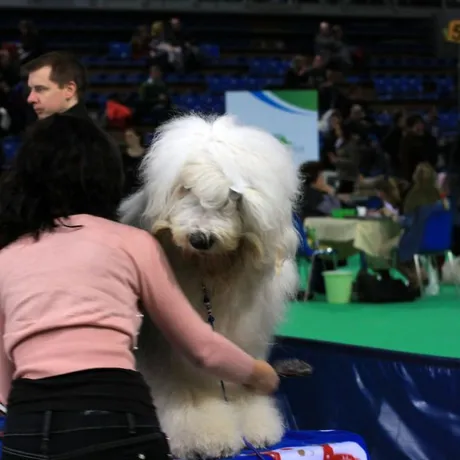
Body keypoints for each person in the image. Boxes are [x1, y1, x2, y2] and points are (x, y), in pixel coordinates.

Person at [0, 115, 279, 459]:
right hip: (119, 422)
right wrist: (257, 373)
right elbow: (200, 347)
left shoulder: (6, 259)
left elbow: (2, 372)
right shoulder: (133, 243)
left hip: (30, 430)